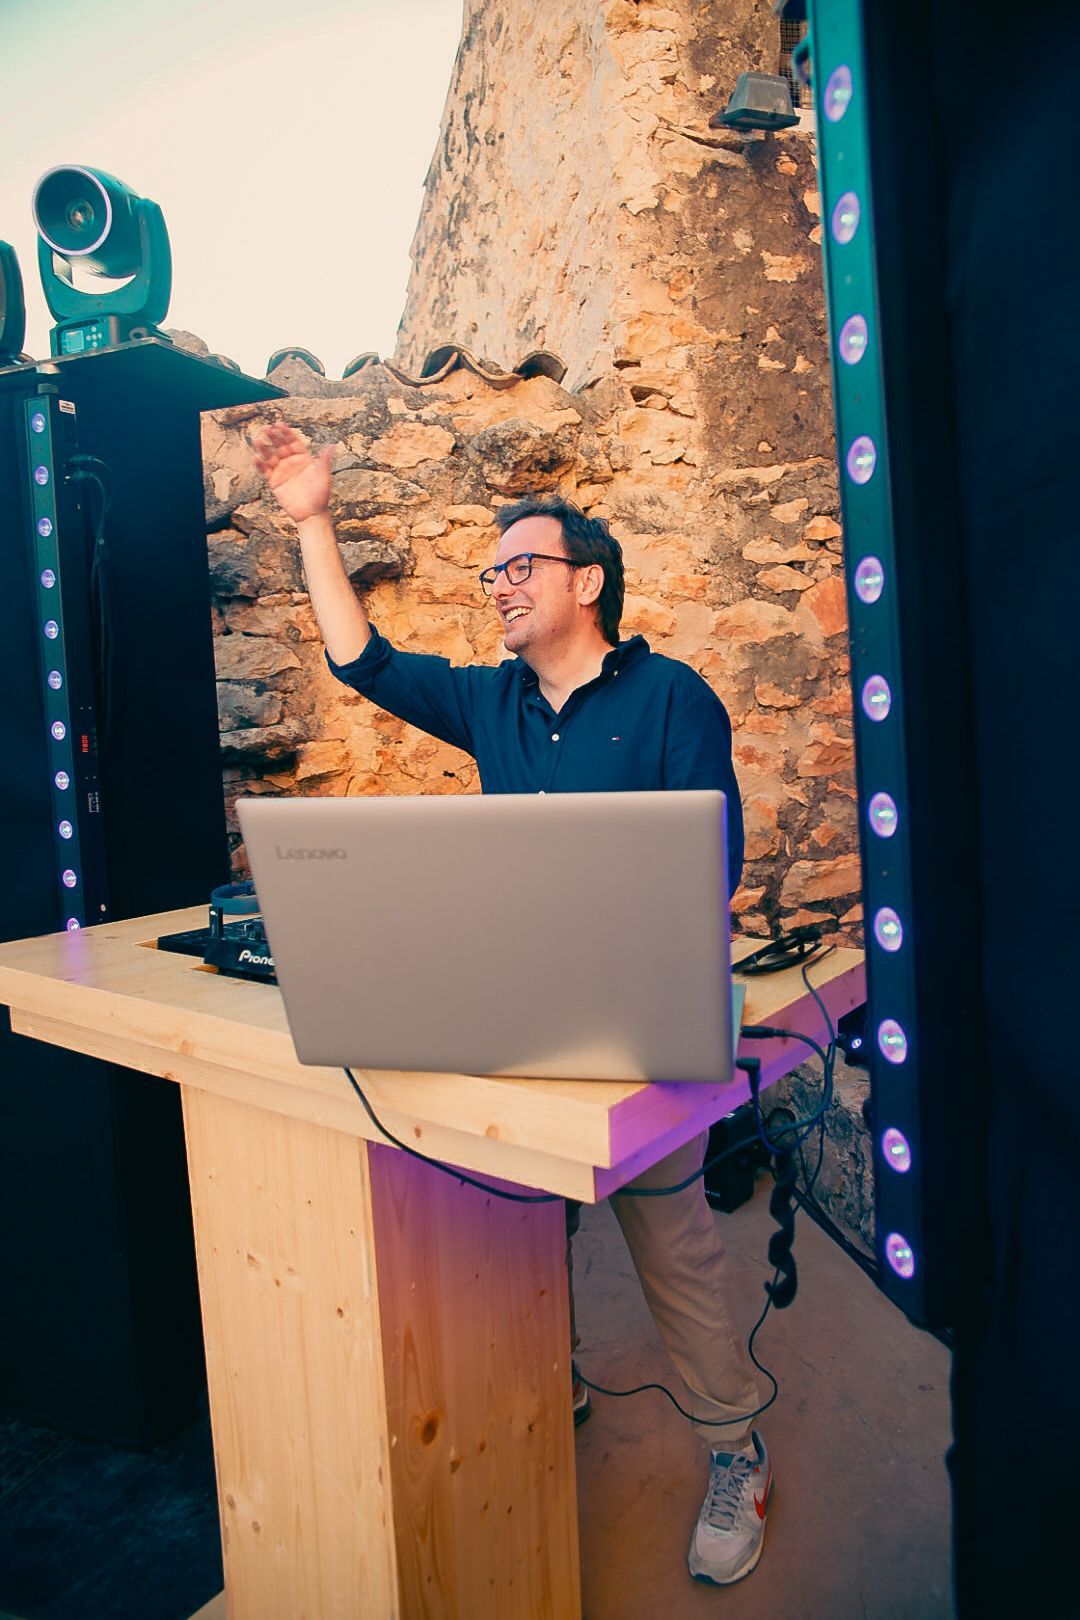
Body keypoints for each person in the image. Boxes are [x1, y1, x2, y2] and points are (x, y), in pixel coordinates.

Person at [252, 422, 773, 1587]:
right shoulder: (489, 704)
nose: (496, 588)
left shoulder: (677, 699)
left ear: (585, 582)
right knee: (506, 1224)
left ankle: (734, 1445)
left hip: (644, 1027)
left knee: (675, 1247)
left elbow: (710, 874)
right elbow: (361, 663)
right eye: (490, 573)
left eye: (517, 568)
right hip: (518, 1014)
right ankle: (556, 1382)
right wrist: (311, 521)